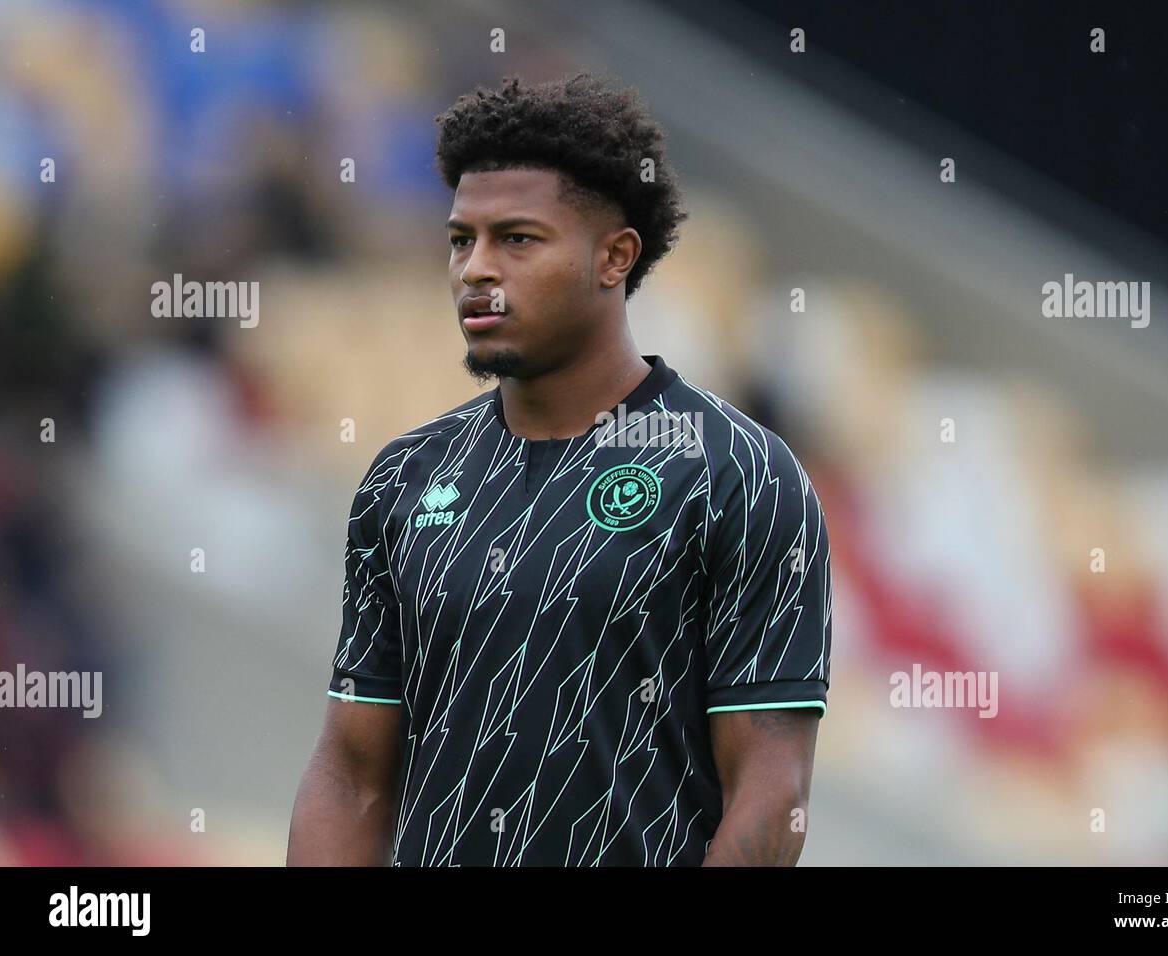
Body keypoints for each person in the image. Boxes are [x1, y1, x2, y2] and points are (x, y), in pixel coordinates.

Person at [288, 72, 831, 866]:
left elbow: (772, 787)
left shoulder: (738, 475)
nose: (475, 269)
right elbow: (352, 771)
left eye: (516, 239)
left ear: (614, 257)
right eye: (459, 240)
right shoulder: (405, 478)